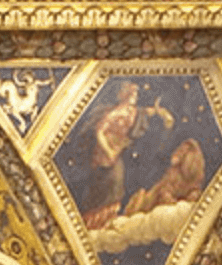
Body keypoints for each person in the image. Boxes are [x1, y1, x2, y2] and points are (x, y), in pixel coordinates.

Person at [84, 82, 172, 228]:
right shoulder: (117, 112)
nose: (135, 97)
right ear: (124, 95)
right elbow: (99, 131)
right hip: (105, 157)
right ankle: (97, 221)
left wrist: (160, 112)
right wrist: (109, 151)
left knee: (117, 187)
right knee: (111, 183)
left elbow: (145, 112)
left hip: (116, 154)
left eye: (135, 94)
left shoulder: (132, 111)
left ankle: (108, 220)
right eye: (131, 93)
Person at [123, 137, 208, 216]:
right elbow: (162, 190)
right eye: (180, 149)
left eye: (182, 151)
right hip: (153, 203)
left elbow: (187, 201)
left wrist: (170, 201)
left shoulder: (194, 179)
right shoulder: (173, 171)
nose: (178, 152)